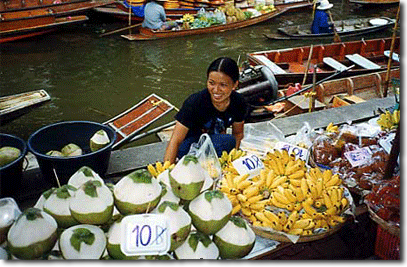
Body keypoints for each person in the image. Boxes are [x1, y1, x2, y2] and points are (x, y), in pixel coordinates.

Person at [164, 57, 248, 164]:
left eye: (223, 85)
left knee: (228, 141)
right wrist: (166, 170)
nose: (216, 90)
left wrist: (232, 158)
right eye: (212, 83)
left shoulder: (239, 102)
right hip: (190, 145)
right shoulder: (195, 102)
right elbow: (175, 140)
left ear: (235, 85)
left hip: (214, 140)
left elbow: (238, 133)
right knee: (226, 141)